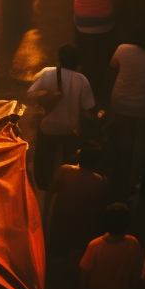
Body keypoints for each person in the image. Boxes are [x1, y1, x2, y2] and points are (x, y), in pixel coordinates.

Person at [45, 145, 110, 289]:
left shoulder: (65, 170)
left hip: (60, 222)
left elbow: (51, 190)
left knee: (57, 260)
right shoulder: (100, 181)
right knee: (75, 264)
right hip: (82, 227)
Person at [27, 44, 94, 191]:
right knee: (69, 160)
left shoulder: (47, 73)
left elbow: (31, 93)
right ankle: (67, 185)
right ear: (78, 62)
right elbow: (88, 107)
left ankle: (43, 184)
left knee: (44, 158)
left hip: (48, 127)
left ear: (60, 58)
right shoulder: (82, 80)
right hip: (70, 129)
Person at [109, 24, 145, 191]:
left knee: (125, 136)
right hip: (144, 106)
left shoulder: (122, 49)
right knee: (141, 140)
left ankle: (122, 170)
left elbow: (113, 66)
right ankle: (133, 178)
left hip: (120, 101)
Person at [65, 0, 115, 96]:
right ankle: (98, 86)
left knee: (84, 52)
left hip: (83, 22)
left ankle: (83, 79)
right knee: (101, 55)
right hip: (106, 23)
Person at [78, 202, 143, 289]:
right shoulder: (133, 243)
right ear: (127, 224)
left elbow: (83, 277)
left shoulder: (95, 245)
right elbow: (137, 277)